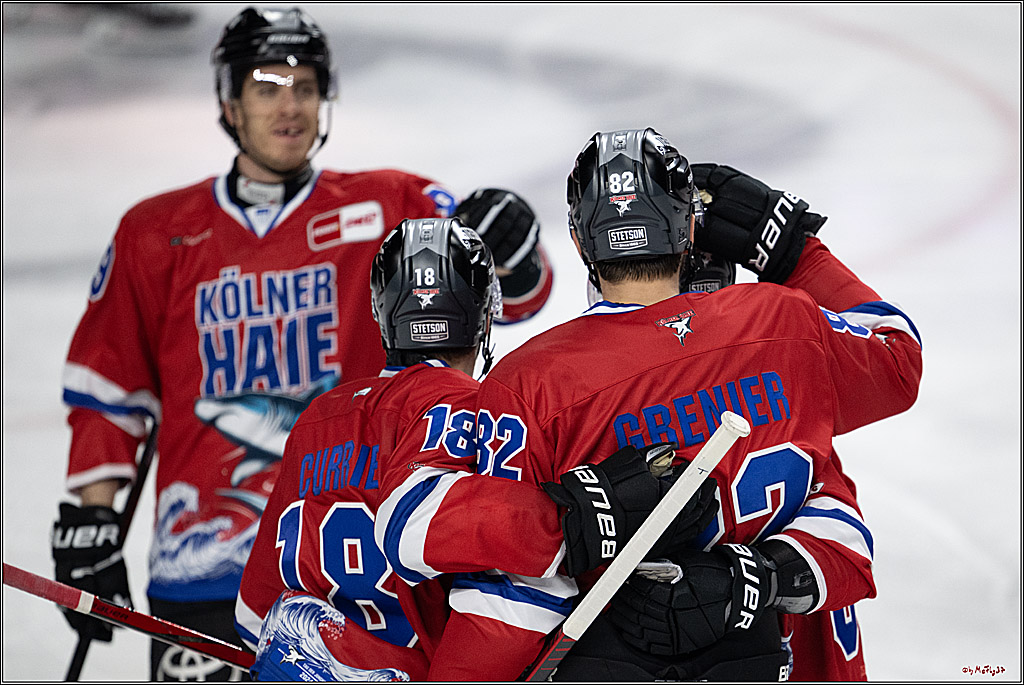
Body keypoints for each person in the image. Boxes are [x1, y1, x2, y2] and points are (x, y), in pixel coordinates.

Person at [50, 6, 548, 681]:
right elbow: (110, 389)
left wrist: (514, 244)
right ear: (230, 101)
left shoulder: (391, 204)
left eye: (305, 87)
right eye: (267, 87)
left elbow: (507, 298)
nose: (290, 107)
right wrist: (93, 518)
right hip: (203, 568)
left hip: (351, 572)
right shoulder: (155, 232)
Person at [377, 127, 922, 681]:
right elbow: (898, 361)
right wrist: (796, 248)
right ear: (686, 223)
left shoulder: (532, 383)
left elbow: (500, 594)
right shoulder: (786, 324)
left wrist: (566, 523)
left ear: (579, 237)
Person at [234, 216, 716, 681]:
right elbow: (517, 594)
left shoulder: (318, 419)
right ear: (484, 316)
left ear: (383, 313)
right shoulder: (481, 407)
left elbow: (255, 615)